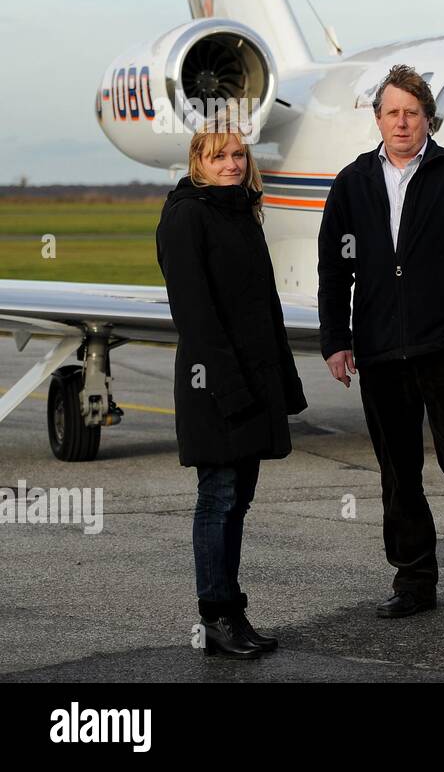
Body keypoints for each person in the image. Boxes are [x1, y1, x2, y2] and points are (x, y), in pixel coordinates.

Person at [317, 64, 444, 622]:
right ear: (378, 118)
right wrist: (336, 339)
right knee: (399, 474)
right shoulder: (353, 183)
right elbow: (334, 271)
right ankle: (413, 583)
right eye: (392, 112)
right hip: (380, 352)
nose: (402, 122)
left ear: (427, 118)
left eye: (412, 113)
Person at [156, 112, 308, 659]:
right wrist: (231, 391)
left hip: (252, 383)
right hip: (215, 388)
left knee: (237, 501)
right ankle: (215, 616)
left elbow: (266, 312)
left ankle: (232, 611)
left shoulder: (243, 214)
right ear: (198, 162)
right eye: (218, 155)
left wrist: (283, 385)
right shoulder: (186, 218)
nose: (231, 164)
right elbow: (196, 318)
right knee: (217, 499)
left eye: (238, 155)